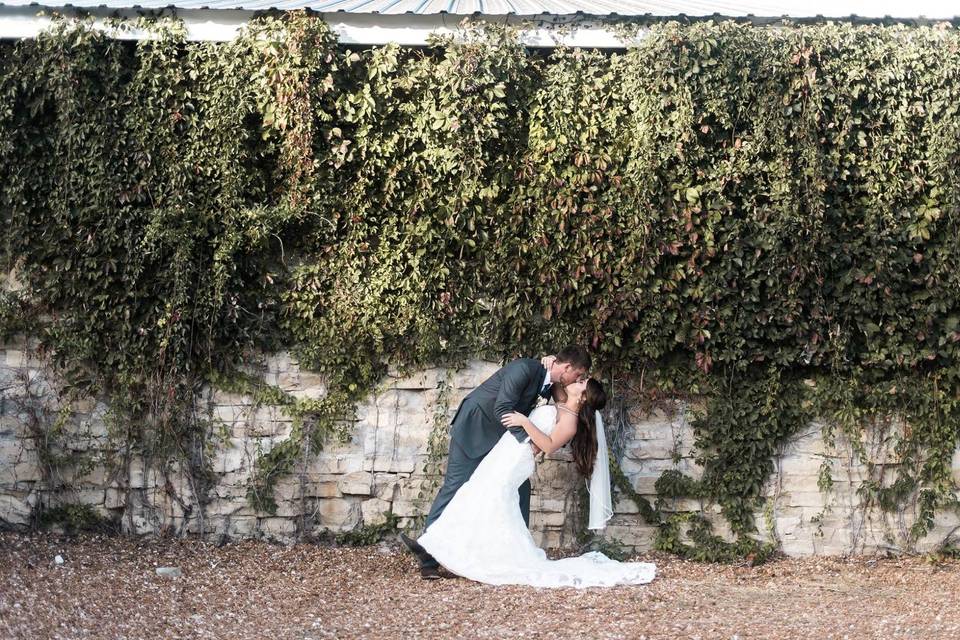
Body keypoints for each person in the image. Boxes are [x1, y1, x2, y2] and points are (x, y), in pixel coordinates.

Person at [413, 377, 656, 588]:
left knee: (490, 495)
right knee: (479, 493)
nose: (578, 381)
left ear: (583, 397)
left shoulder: (570, 423)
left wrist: (525, 422)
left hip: (518, 458)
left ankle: (466, 552)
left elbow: (549, 445)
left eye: (582, 383)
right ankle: (453, 547)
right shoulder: (563, 405)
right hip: (508, 450)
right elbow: (553, 382)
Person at [401, 346, 591, 579]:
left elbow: (564, 409)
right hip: (475, 429)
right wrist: (528, 441)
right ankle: (428, 557)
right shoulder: (524, 368)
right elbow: (501, 407)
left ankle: (516, 554)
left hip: (502, 441)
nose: (579, 379)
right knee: (456, 486)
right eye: (578, 375)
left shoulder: (550, 382)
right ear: (568, 367)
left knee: (520, 488)